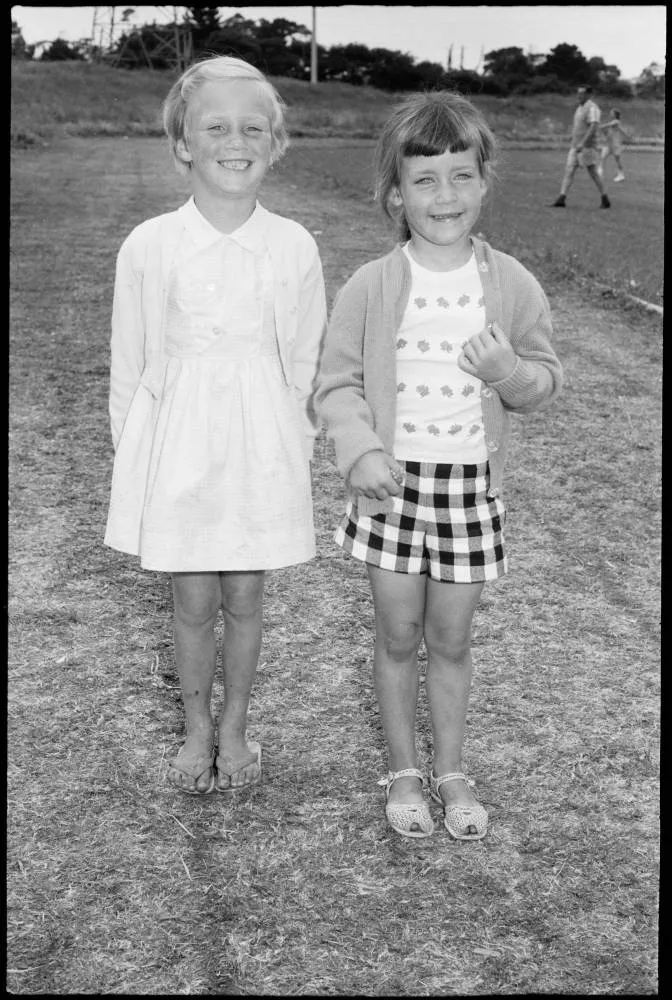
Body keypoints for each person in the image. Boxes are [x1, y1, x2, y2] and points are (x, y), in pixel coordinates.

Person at [316, 91, 562, 840]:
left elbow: (544, 380)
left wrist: (508, 371)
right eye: (425, 180)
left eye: (461, 176)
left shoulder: (512, 282)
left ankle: (452, 769)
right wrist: (358, 451)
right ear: (397, 192)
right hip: (392, 491)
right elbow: (337, 383)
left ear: (485, 181)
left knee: (450, 641)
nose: (444, 195)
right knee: (396, 638)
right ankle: (404, 771)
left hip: (467, 493)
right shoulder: (373, 284)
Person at [104, 56, 327, 795]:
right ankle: (196, 727)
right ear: (184, 146)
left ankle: (235, 728)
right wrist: (136, 465)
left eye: (253, 126)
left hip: (258, 449)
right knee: (193, 602)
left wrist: (294, 450)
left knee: (245, 597)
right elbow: (130, 370)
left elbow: (302, 363)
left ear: (277, 143)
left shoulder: (293, 245)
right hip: (181, 454)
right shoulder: (150, 245)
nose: (237, 139)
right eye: (216, 126)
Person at [551, 85, 611, 208]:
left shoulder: (592, 108)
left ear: (588, 95)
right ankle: (561, 198)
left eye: (582, 93)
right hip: (575, 146)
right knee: (569, 170)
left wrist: (582, 143)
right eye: (578, 93)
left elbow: (593, 126)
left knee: (593, 172)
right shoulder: (579, 108)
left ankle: (605, 198)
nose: (579, 96)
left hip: (587, 147)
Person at [598, 108, 628, 182]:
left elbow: (609, 125)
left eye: (612, 113)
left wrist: (601, 126)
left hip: (615, 144)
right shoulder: (613, 122)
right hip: (608, 144)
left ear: (615, 115)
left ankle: (621, 175)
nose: (610, 114)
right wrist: (603, 130)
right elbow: (608, 131)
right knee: (602, 157)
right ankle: (599, 173)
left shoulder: (616, 121)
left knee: (618, 160)